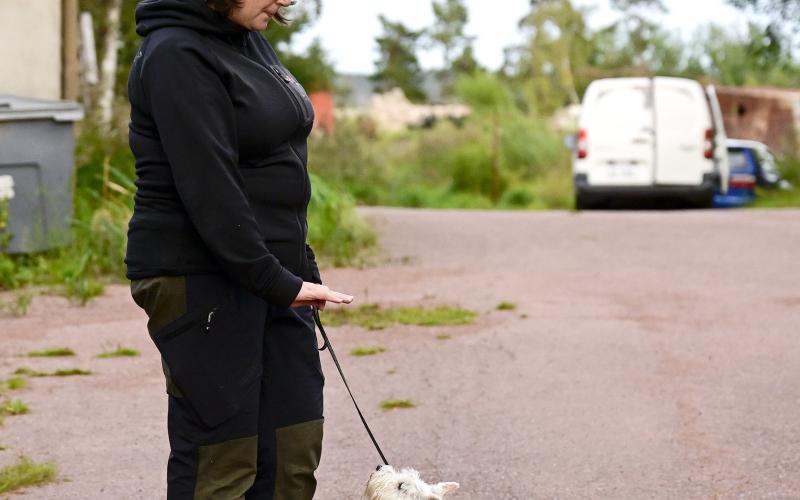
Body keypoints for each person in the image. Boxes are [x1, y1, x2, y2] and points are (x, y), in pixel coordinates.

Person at [124, 0, 354, 498]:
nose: (286, 0)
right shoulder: (174, 54)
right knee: (222, 466)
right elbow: (210, 188)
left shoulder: (247, 37)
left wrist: (295, 266)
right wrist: (275, 279)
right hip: (198, 276)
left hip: (272, 274)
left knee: (291, 455)